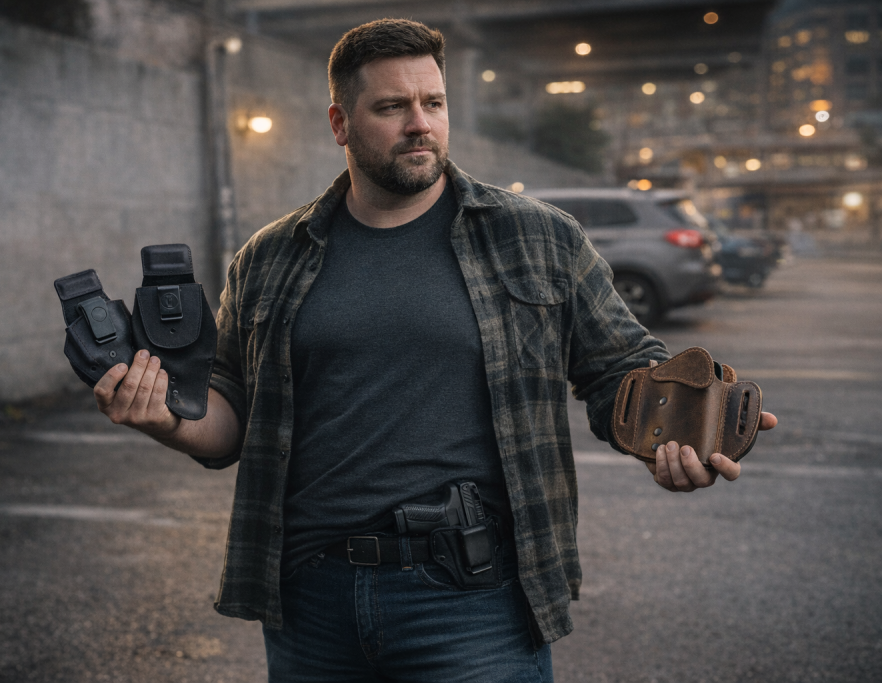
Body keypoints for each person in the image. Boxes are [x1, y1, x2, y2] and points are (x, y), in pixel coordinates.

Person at [92, 18, 777, 683]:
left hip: (474, 602)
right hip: (311, 601)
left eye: (434, 103)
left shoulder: (539, 237)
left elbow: (619, 370)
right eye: (392, 106)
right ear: (340, 123)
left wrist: (672, 439)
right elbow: (230, 416)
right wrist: (164, 416)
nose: (420, 123)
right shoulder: (270, 257)